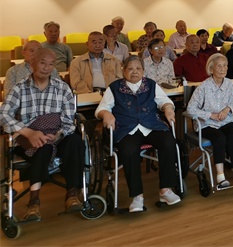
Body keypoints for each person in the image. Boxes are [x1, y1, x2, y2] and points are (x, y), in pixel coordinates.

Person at [0, 48, 85, 221]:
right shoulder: (20, 88)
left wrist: (59, 135)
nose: (47, 68)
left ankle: (72, 194)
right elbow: (3, 115)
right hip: (28, 137)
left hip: (56, 134)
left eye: (51, 64)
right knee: (43, 147)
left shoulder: (62, 88)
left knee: (76, 141)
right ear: (32, 64)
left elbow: (68, 120)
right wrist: (28, 132)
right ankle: (34, 202)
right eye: (42, 63)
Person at [95, 55, 181, 212]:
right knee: (129, 150)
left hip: (151, 126)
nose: (134, 72)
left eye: (138, 68)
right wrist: (106, 114)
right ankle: (137, 196)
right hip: (127, 129)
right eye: (130, 69)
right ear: (123, 70)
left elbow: (164, 100)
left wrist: (168, 108)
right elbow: (102, 108)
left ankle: (165, 190)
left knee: (168, 142)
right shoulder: (114, 87)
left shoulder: (151, 85)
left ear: (143, 70)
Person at [186, 53, 233, 188]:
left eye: (225, 66)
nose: (222, 69)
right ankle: (220, 176)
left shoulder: (230, 84)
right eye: (219, 66)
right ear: (211, 69)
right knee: (219, 138)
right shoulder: (203, 87)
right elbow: (190, 109)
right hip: (206, 123)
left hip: (225, 120)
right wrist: (210, 115)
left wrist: (227, 109)